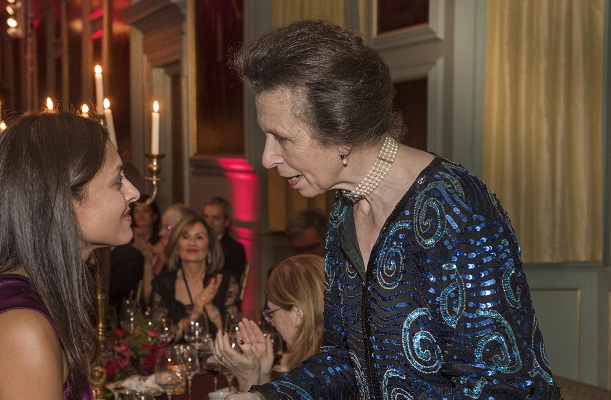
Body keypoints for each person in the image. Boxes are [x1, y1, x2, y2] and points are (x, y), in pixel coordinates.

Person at [228, 20, 560, 399]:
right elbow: (345, 360)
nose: (267, 157)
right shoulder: (344, 214)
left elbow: (500, 386)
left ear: (342, 131)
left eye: (282, 138)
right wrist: (266, 396)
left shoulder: (455, 208)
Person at [0, 112, 140, 399]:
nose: (134, 192)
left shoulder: (18, 295)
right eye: (117, 180)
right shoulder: (21, 328)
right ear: (62, 199)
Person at [213, 254, 323, 391]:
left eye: (271, 313)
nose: (272, 323)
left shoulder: (320, 373)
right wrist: (262, 374)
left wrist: (247, 378)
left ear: (297, 315)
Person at [149, 216, 238, 339]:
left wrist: (209, 306)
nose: (192, 243)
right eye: (185, 237)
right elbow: (161, 339)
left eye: (199, 237)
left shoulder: (225, 282)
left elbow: (232, 336)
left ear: (209, 245)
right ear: (176, 245)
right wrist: (196, 310)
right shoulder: (163, 285)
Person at [108, 197, 160, 313]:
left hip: (143, 302)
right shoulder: (124, 242)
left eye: (145, 211)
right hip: (115, 300)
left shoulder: (160, 244)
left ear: (154, 216)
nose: (141, 215)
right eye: (137, 212)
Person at [201, 196, 247, 281]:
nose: (209, 222)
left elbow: (230, 280)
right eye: (206, 217)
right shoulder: (195, 244)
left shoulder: (234, 249)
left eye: (216, 218)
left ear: (227, 222)